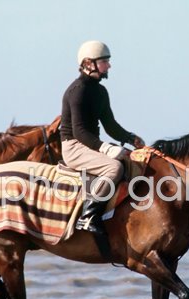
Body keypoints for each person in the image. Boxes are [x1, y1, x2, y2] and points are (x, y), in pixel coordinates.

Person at [60, 40, 145, 236]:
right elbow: (79, 132)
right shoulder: (77, 91)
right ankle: (88, 216)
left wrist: (132, 139)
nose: (109, 66)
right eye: (104, 61)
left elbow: (110, 126)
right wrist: (106, 149)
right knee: (113, 167)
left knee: (132, 161)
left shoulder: (100, 91)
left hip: (89, 144)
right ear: (89, 63)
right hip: (74, 146)